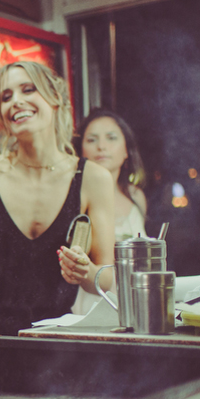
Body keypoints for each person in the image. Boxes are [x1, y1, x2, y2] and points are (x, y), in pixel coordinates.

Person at [0, 61, 115, 337]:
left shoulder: (93, 179)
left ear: (55, 98)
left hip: (52, 348)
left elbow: (106, 277)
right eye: (6, 97)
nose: (17, 102)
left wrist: (86, 272)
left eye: (28, 89)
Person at [72, 108, 148, 314]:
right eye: (92, 140)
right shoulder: (75, 197)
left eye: (111, 138)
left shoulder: (135, 196)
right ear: (80, 150)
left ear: (126, 150)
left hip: (136, 301)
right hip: (93, 302)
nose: (101, 147)